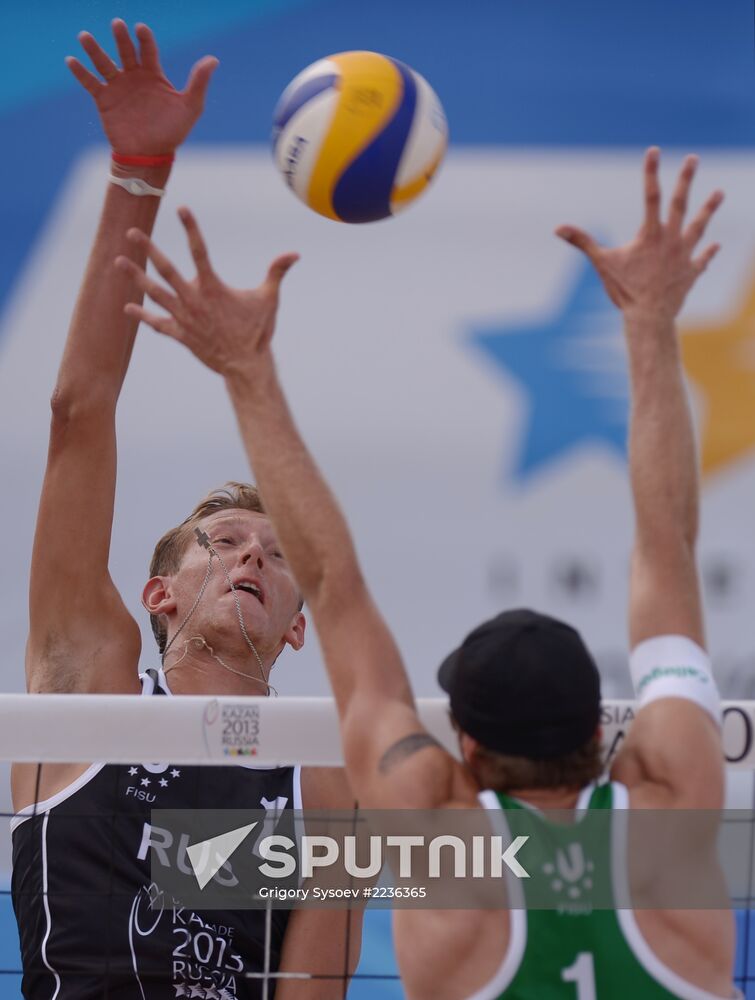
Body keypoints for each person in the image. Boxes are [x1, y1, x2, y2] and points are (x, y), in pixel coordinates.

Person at [121, 146, 738, 999]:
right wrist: (649, 323)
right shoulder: (674, 815)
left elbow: (334, 587)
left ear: (468, 749)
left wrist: (247, 373)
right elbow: (666, 544)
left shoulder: (436, 843)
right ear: (601, 737)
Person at [10, 21, 359, 1000]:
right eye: (224, 540)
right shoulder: (85, 693)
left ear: (298, 627)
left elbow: (312, 992)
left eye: (276, 555)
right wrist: (138, 170)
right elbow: (77, 417)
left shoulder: (322, 782)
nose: (253, 556)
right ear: (159, 592)